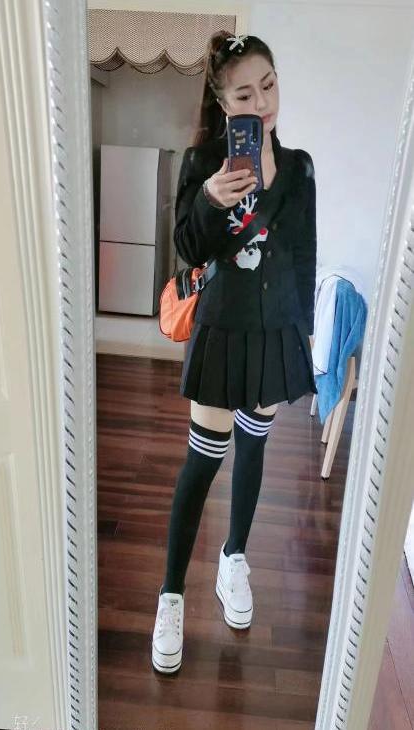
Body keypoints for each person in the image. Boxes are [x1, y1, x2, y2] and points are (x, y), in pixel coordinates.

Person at [151, 30, 318, 674]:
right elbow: (189, 250)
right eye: (245, 94)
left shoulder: (299, 167)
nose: (263, 103)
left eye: (269, 85)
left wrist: (302, 337)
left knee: (254, 447)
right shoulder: (203, 163)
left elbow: (303, 255)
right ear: (224, 104)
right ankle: (171, 595)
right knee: (202, 461)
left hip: (274, 333)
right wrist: (210, 201)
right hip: (222, 330)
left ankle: (234, 558)